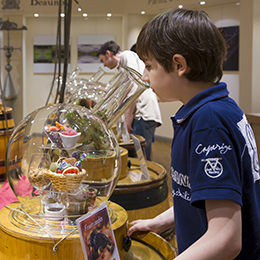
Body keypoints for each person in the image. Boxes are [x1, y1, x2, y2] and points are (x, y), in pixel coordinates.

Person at [127, 8, 260, 260]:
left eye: (149, 66)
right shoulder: (214, 109)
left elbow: (226, 238)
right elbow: (200, 195)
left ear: (178, 65)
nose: (144, 78)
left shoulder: (208, 122)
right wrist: (159, 221)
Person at [97, 41, 162, 161]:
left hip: (143, 113)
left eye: (103, 61)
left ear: (108, 53)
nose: (104, 65)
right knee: (136, 153)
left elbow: (134, 84)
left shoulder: (126, 56)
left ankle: (144, 180)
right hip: (140, 114)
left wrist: (128, 115)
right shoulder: (121, 66)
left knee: (140, 155)